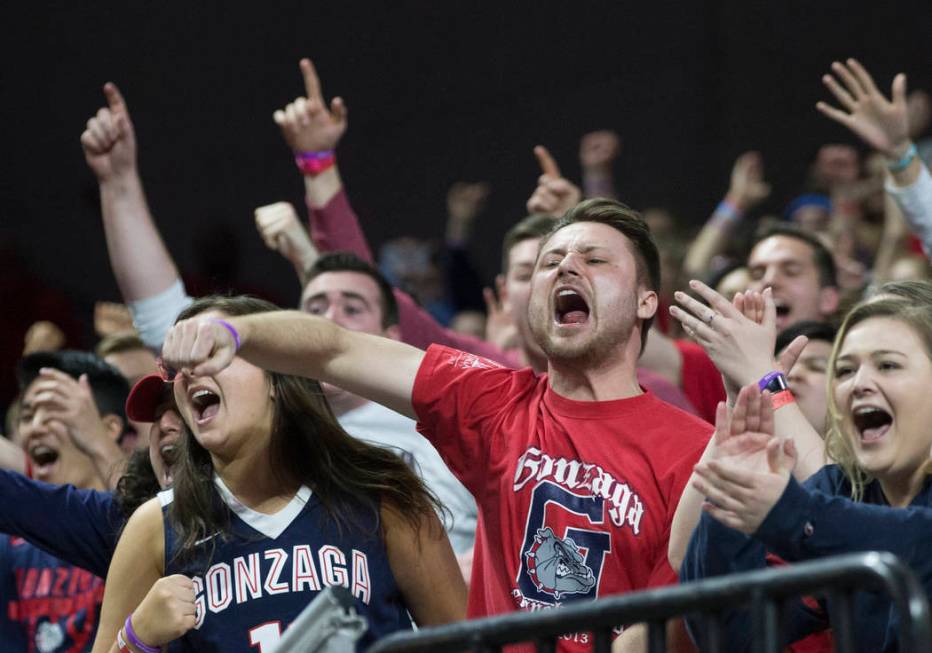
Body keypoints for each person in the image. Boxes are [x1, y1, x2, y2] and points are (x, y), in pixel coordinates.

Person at [158, 199, 712, 652]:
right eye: (551, 261)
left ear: (646, 301)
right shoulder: (494, 401)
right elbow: (335, 349)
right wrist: (235, 334)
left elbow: (662, 630)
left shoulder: (694, 449)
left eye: (595, 260)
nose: (566, 268)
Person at [91, 295, 465, 653]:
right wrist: (136, 639)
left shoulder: (383, 494)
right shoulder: (155, 526)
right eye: (176, 367)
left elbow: (466, 644)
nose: (188, 372)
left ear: (277, 375)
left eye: (211, 350)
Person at [684, 295, 932, 652]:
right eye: (845, 370)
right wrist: (732, 498)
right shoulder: (840, 491)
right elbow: (735, 635)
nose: (859, 384)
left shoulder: (819, 512)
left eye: (888, 365)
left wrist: (788, 513)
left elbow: (917, 542)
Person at [2, 351, 130, 653]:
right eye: (27, 416)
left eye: (53, 412)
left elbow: (160, 530)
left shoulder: (135, 522)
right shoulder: (11, 542)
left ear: (108, 427)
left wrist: (97, 442)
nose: (35, 428)